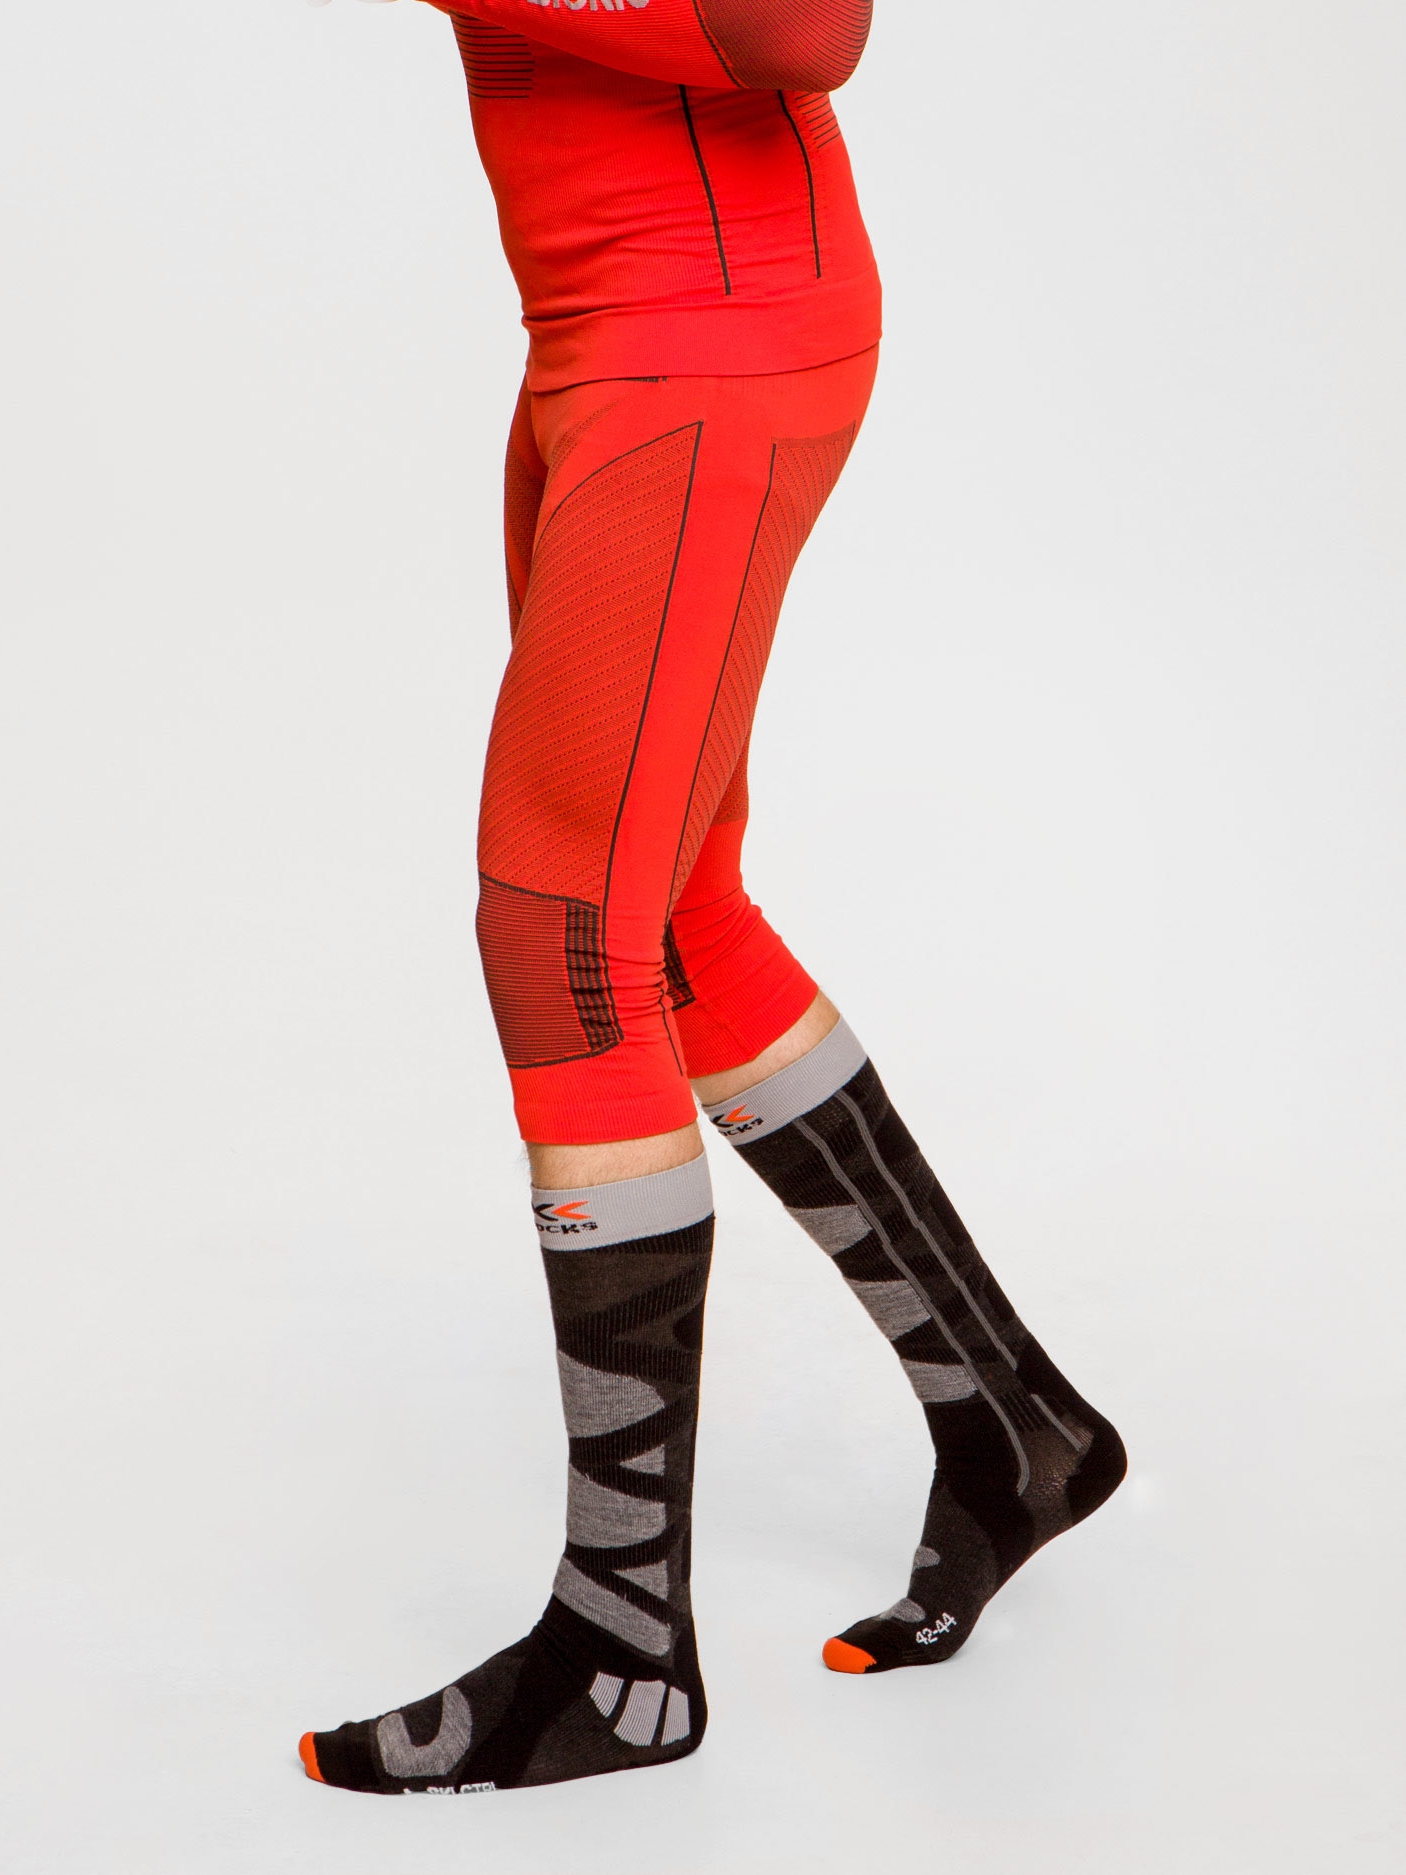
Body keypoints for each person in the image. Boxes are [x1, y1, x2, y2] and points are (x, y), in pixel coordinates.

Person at [299, 0, 1125, 1797]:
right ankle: (1016, 1428)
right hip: (619, 327)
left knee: (563, 934)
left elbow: (802, 24)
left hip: (696, 341)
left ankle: (621, 1647)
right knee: (667, 915)